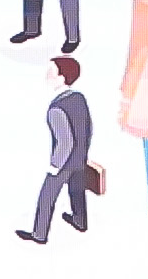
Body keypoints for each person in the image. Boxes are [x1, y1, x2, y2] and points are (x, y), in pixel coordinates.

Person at [20, 54, 93, 247]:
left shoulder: (56, 108)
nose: (47, 76)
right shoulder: (79, 98)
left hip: (64, 162)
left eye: (51, 72)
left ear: (62, 77)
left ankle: (39, 234)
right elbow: (88, 128)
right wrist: (83, 153)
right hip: (80, 158)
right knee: (77, 191)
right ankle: (80, 221)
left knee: (47, 197)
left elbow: (65, 141)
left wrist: (55, 166)